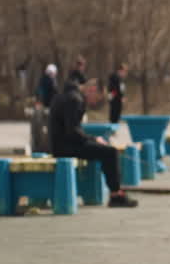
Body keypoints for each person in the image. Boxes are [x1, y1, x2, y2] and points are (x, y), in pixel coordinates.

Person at [49, 77, 138, 208]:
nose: (94, 102)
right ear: (92, 90)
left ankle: (115, 192)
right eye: (96, 98)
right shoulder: (75, 100)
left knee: (104, 150)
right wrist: (94, 139)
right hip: (65, 147)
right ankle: (116, 195)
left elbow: (72, 130)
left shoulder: (65, 95)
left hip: (60, 144)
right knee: (110, 152)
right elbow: (72, 132)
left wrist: (92, 140)